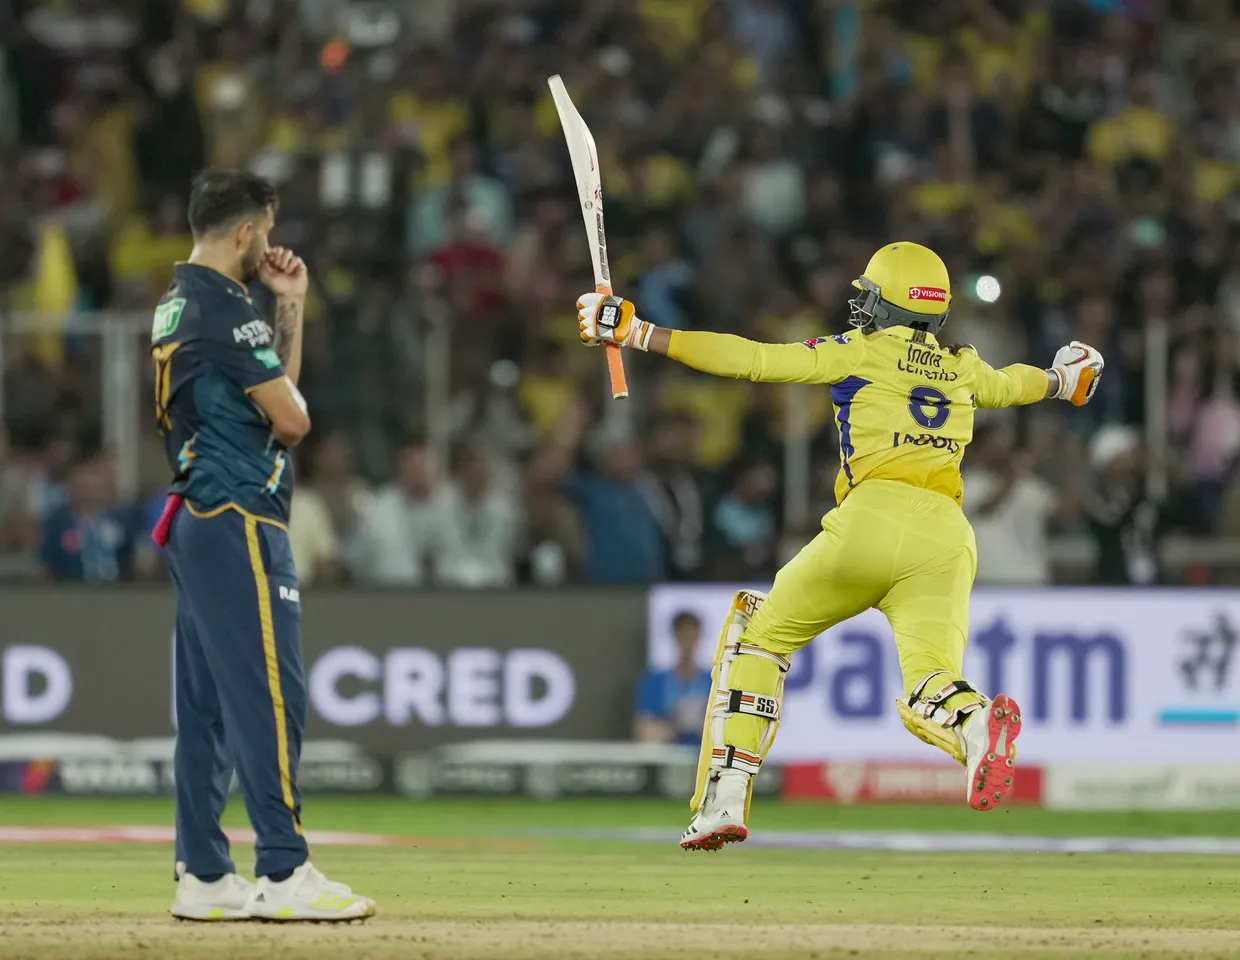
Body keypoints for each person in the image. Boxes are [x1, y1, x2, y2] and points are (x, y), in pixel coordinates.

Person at [576, 241, 1104, 851]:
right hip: (946, 538)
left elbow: (753, 360)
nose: (861, 306)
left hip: (870, 521)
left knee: (761, 636)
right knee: (929, 682)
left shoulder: (861, 351)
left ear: (887, 305)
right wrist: (1071, 377)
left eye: (869, 297)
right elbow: (1026, 384)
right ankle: (978, 723)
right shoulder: (964, 367)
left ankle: (723, 800)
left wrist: (638, 331)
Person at [149, 169, 374, 920]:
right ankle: (285, 871)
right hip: (238, 511)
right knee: (271, 695)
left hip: (195, 513)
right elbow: (294, 418)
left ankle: (206, 876)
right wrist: (275, 321)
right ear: (246, 231)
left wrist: (291, 308)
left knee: (208, 705)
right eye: (267, 232)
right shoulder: (221, 307)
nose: (271, 246)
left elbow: (277, 391)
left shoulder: (180, 301)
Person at [634, 612, 714, 746]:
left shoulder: (714, 681)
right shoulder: (654, 682)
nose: (687, 644)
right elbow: (645, 733)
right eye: (683, 637)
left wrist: (700, 724)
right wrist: (679, 725)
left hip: (705, 760)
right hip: (666, 760)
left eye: (691, 637)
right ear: (675, 637)